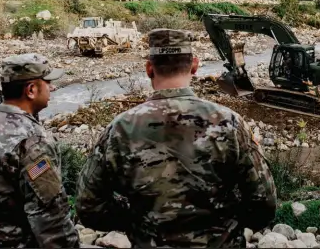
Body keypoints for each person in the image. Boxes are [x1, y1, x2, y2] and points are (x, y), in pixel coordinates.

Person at [76, 28, 277, 248]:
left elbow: (88, 205)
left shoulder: (120, 128)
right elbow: (264, 203)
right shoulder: (230, 123)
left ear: (149, 69)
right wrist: (227, 223)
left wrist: (135, 220)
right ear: (195, 66)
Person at [0, 53, 79, 248]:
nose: (52, 88)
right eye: (48, 82)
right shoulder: (32, 139)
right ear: (31, 90)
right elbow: (50, 214)